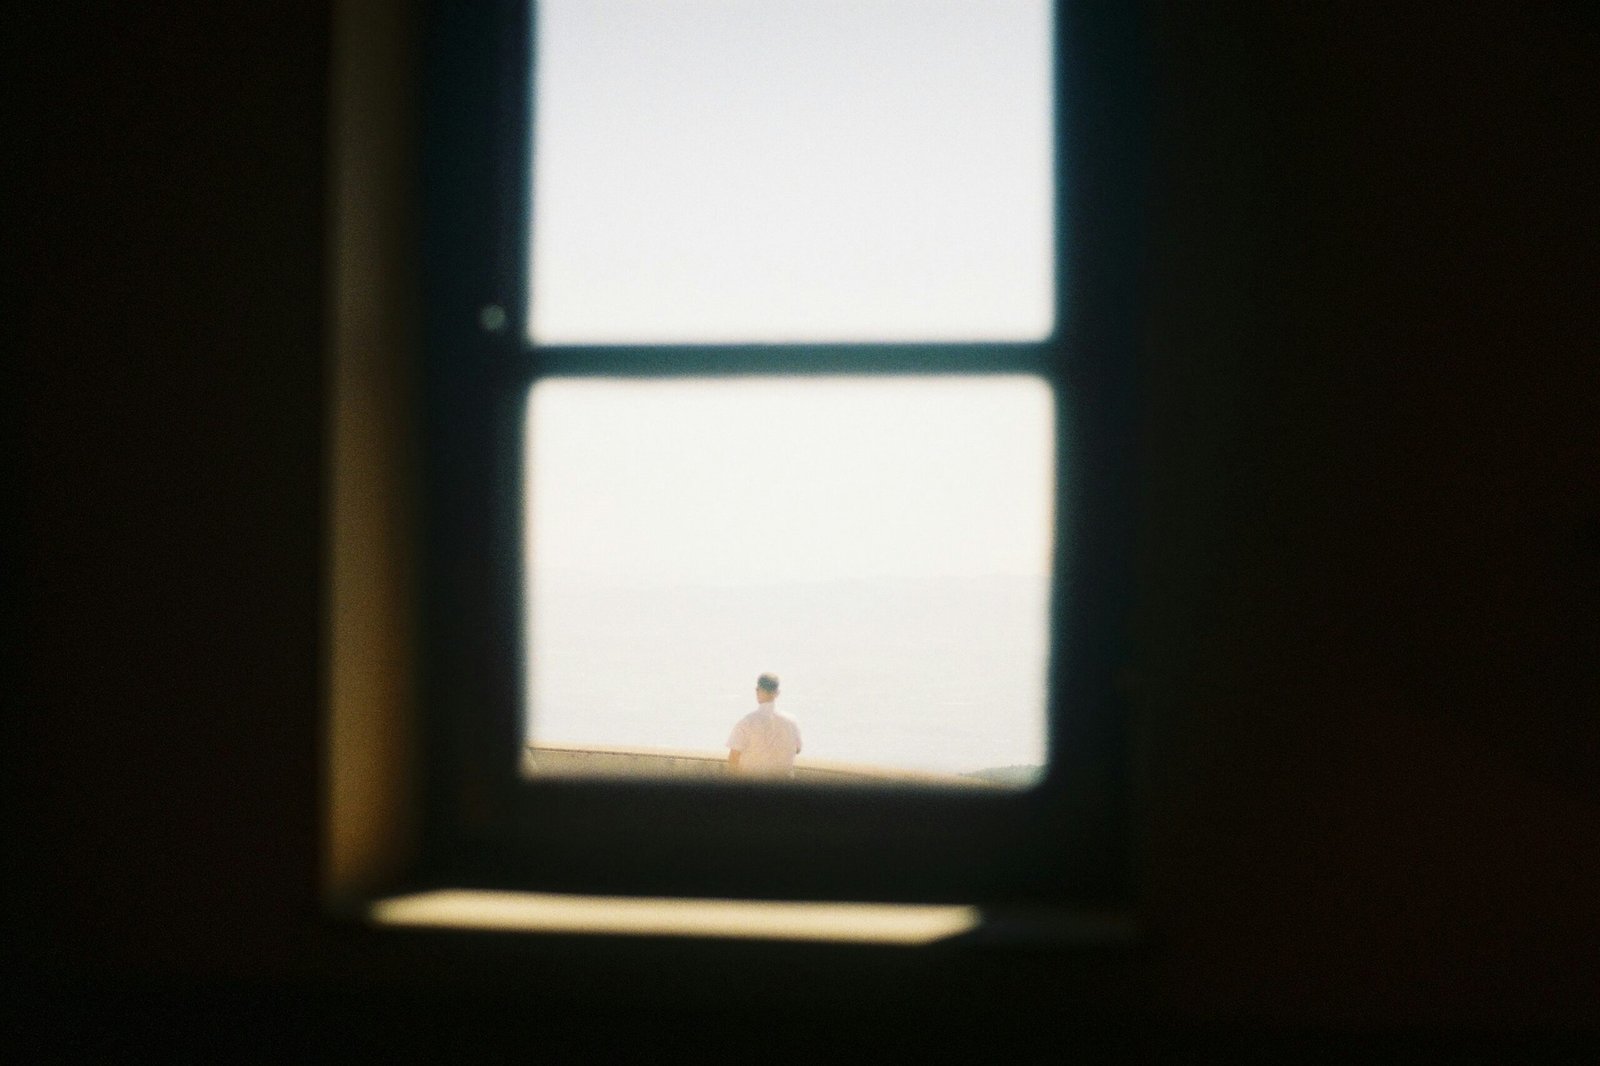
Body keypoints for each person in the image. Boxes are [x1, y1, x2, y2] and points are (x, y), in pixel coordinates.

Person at [726, 673, 802, 778]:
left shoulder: (746, 722)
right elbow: (798, 749)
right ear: (777, 693)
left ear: (758, 691)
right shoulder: (792, 722)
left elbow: (733, 759)